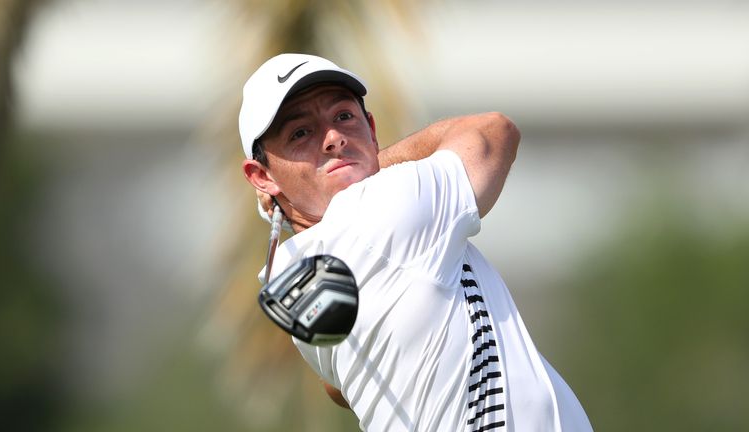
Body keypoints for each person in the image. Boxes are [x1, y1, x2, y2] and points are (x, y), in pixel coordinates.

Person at [240, 53, 592, 432]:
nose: (334, 138)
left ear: (371, 128)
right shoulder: (387, 203)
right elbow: (493, 132)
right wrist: (369, 164)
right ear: (262, 177)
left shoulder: (289, 277)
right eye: (300, 133)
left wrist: (302, 191)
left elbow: (337, 389)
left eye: (343, 116)